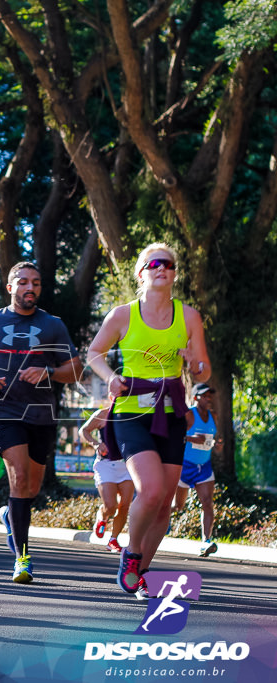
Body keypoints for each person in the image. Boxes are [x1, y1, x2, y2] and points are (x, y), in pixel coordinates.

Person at [87, 243, 210, 596]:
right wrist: (110, 376)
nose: (162, 269)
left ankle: (141, 571)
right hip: (130, 414)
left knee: (164, 506)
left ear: (174, 274)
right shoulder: (123, 315)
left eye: (168, 265)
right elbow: (94, 352)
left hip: (171, 414)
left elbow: (204, 368)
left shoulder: (189, 316)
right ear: (141, 273)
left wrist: (192, 362)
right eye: (154, 264)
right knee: (151, 490)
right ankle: (131, 553)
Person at [0, 261, 82, 583]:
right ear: (10, 287)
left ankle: (10, 516)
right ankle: (22, 560)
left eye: (36, 283)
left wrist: (49, 372)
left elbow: (76, 370)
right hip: (5, 413)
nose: (30, 288)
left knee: (32, 487)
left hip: (42, 415)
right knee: (20, 478)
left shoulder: (53, 325)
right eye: (23, 282)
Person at [173, 383, 222, 558]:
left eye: (210, 395)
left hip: (204, 467)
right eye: (205, 396)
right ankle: (151, 520)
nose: (209, 398)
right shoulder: (189, 415)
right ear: (196, 398)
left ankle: (205, 542)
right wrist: (192, 438)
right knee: (178, 506)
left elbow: (213, 443)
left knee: (207, 503)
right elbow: (174, 435)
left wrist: (217, 447)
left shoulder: (213, 416)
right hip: (184, 466)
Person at [79, 407, 133, 553]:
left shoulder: (136, 414)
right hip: (106, 464)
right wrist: (96, 444)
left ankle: (113, 540)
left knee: (125, 505)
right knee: (111, 505)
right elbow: (84, 430)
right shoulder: (102, 414)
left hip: (127, 464)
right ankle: (102, 516)